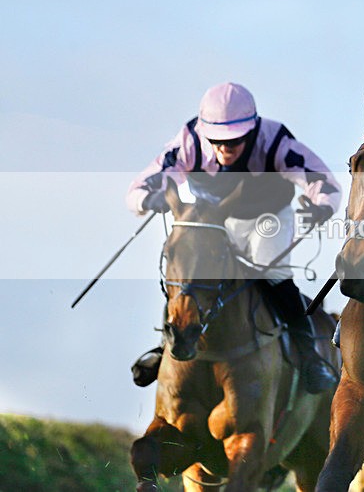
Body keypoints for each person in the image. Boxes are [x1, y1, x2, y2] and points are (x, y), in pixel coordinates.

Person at [126, 82, 341, 394]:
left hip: (267, 218)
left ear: (252, 129)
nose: (226, 148)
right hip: (214, 220)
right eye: (217, 141)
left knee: (270, 272)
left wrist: (322, 205)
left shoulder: (274, 139)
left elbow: (322, 180)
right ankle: (166, 347)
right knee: (189, 272)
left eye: (236, 140)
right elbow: (141, 185)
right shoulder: (189, 139)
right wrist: (147, 199)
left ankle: (310, 357)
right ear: (205, 132)